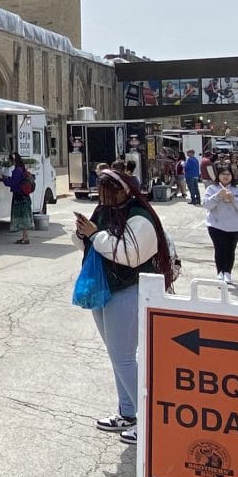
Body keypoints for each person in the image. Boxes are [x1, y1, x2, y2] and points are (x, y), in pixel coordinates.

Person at [79, 170, 174, 443]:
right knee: (115, 355)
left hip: (129, 289)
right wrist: (83, 234)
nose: (103, 197)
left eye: (108, 192)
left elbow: (129, 255)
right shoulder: (105, 210)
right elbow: (90, 244)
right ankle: (128, 412)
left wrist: (95, 235)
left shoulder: (139, 217)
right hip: (104, 289)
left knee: (123, 356)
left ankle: (148, 420)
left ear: (124, 190)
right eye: (101, 192)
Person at [203, 164, 238, 284]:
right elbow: (206, 205)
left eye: (228, 174)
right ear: (218, 176)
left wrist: (233, 199)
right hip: (216, 225)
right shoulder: (211, 189)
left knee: (230, 249)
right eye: (223, 174)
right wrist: (218, 196)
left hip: (234, 226)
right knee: (219, 248)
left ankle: (228, 272)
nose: (225, 176)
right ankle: (220, 271)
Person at [1, 152, 35, 245]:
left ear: (14, 161)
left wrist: (3, 179)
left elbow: (12, 183)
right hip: (24, 196)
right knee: (24, 216)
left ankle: (25, 238)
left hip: (19, 197)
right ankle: (25, 237)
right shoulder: (22, 169)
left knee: (22, 217)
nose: (10, 162)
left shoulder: (17, 170)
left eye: (11, 160)